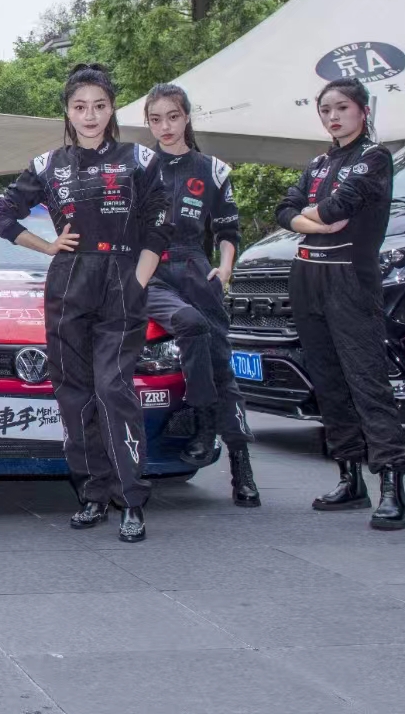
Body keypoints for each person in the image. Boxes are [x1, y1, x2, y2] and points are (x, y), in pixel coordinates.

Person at [0, 64, 171, 543]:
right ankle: (92, 494)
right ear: (67, 112)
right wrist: (47, 246)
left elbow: (161, 222)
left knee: (113, 387)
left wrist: (139, 278)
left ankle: (131, 499)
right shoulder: (47, 164)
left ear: (112, 109)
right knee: (74, 391)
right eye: (79, 106)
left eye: (99, 106)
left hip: (123, 279)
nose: (90, 115)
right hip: (68, 281)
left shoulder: (141, 158)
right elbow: (2, 215)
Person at [276, 78, 405, 530]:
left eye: (342, 108)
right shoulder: (318, 163)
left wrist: (308, 215)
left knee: (367, 381)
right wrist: (311, 220)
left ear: (363, 111)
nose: (333, 117)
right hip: (306, 279)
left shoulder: (375, 157)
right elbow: (285, 209)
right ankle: (350, 479)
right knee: (328, 383)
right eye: (326, 110)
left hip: (350, 279)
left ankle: (392, 487)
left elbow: (338, 208)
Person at [143, 84, 259, 507]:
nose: (165, 126)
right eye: (156, 119)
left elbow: (228, 229)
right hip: (150, 270)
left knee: (220, 365)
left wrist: (224, 269)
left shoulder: (213, 169)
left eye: (173, 116)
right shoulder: (138, 166)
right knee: (188, 325)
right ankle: (201, 420)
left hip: (197, 268)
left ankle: (241, 468)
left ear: (187, 117)